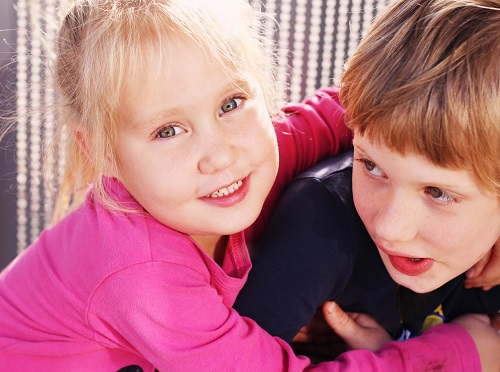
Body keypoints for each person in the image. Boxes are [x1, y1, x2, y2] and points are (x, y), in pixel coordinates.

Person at [0, 0, 496, 371]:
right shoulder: (142, 276)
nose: (220, 154)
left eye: (231, 102)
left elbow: (378, 112)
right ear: (103, 153)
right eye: (167, 131)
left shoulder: (252, 152)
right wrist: (455, 351)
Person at [234, 0, 500, 367]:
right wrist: (441, 357)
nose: (391, 229)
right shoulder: (319, 224)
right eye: (372, 166)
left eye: (437, 193)